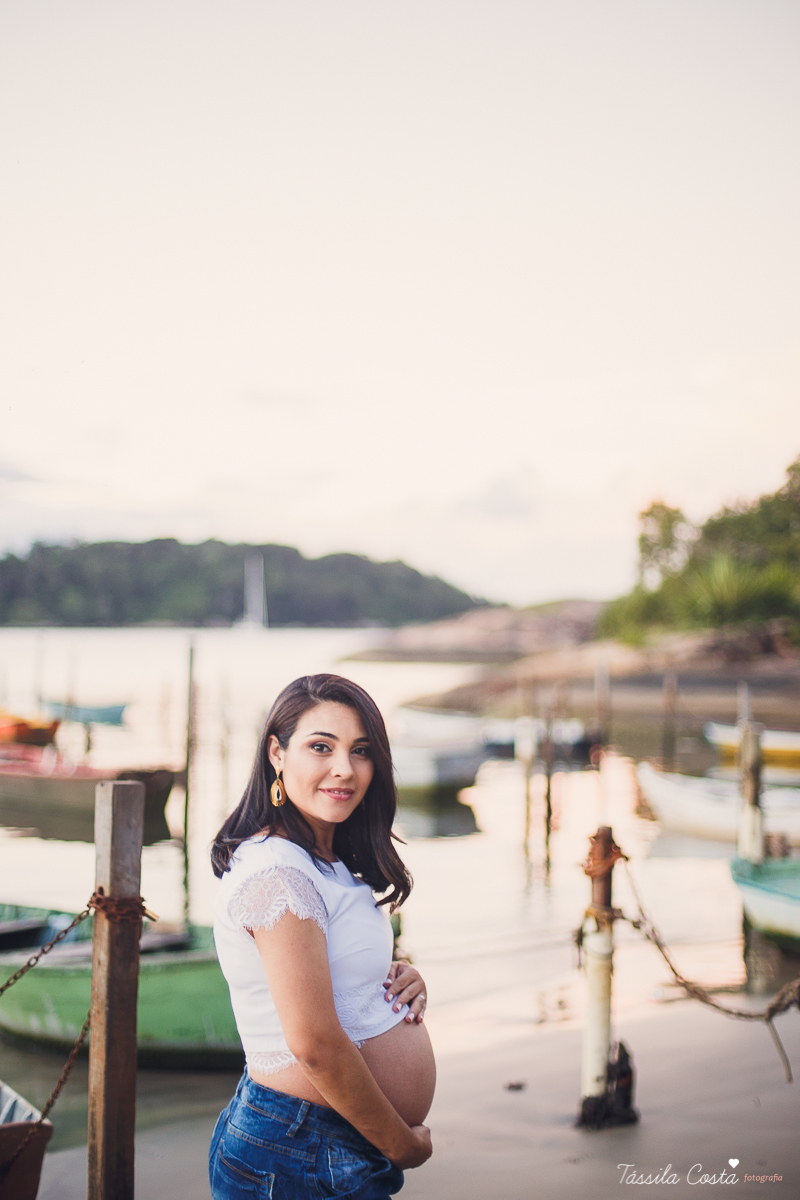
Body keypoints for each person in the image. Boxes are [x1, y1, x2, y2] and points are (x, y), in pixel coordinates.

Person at [209, 673, 435, 1199]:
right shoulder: (276, 872)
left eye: (361, 750)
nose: (344, 769)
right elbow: (312, 1043)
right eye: (320, 747)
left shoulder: (323, 861)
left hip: (317, 1142)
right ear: (276, 754)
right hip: (301, 1147)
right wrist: (400, 1144)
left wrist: (399, 982)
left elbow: (338, 980)